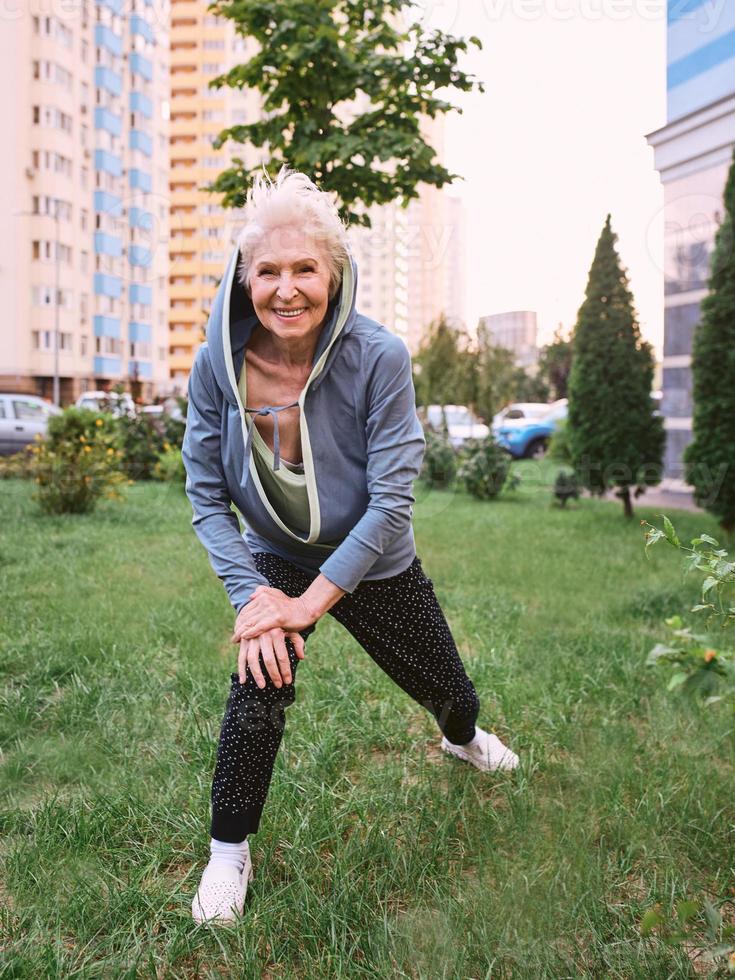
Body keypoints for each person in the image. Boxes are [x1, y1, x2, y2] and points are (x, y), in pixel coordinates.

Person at [181, 167, 519, 926]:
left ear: (336, 275)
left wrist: (310, 602)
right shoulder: (215, 364)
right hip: (274, 552)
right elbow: (204, 491)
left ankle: (461, 739)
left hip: (375, 559)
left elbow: (393, 496)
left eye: (306, 269)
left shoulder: (379, 356)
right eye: (268, 270)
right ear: (244, 279)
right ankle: (228, 849)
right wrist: (257, 600)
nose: (287, 288)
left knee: (448, 693)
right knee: (257, 682)